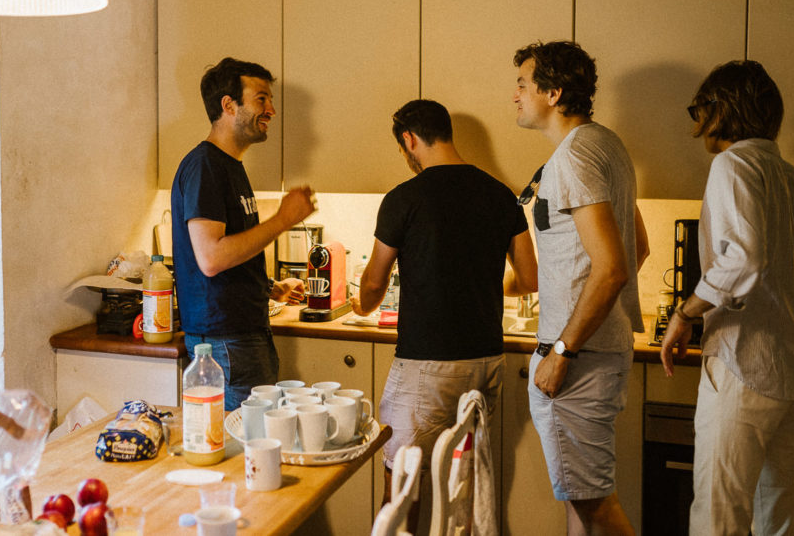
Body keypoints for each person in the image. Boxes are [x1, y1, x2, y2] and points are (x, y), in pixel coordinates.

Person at [350, 99, 538, 533]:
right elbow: (529, 278)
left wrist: (362, 306)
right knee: (464, 488)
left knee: (400, 490)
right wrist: (488, 285)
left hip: (425, 366)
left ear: (409, 140)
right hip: (485, 364)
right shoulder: (500, 194)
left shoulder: (404, 198)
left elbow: (375, 283)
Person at [660, 60, 794, 535]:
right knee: (778, 517)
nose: (695, 123)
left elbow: (743, 259)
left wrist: (685, 314)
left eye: (698, 109)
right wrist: (787, 312)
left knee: (718, 517)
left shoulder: (733, 164)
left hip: (741, 365)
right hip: (791, 375)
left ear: (720, 110)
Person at [512, 41, 649, 536]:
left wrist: (563, 349)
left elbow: (613, 268)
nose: (516, 95)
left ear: (553, 92)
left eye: (524, 85)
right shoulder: (606, 145)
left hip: (579, 358)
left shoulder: (573, 159)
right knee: (580, 502)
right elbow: (639, 246)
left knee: (594, 506)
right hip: (597, 350)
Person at [171, 57, 316, 410]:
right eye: (261, 99)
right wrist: (282, 220)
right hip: (225, 342)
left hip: (239, 336)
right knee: (245, 451)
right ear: (228, 105)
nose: (271, 110)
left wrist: (269, 288)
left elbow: (230, 250)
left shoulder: (229, 166)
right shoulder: (205, 166)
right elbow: (212, 258)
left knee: (253, 446)